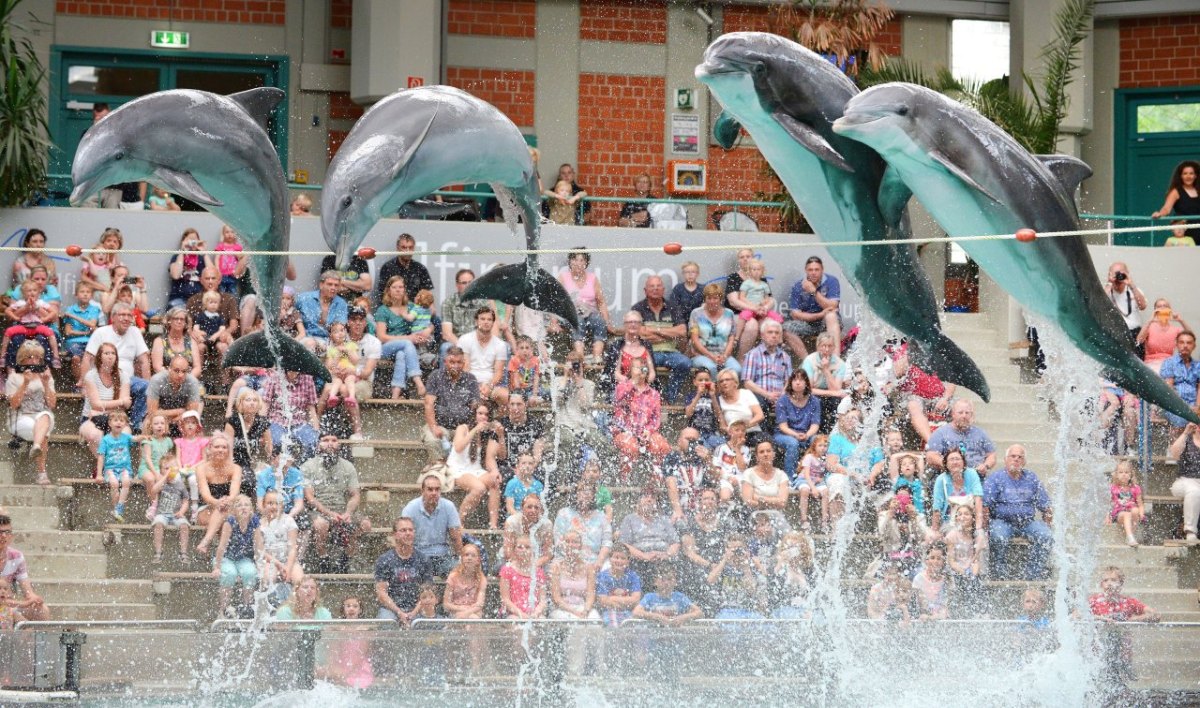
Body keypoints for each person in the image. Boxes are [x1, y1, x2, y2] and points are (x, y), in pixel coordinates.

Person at [301, 431, 371, 570]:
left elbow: (355, 495)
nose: (330, 444)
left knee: (366, 524)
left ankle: (345, 559)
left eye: (334, 440)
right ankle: (324, 559)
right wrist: (330, 514)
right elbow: (309, 498)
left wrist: (348, 513)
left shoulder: (348, 466)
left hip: (342, 509)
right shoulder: (308, 466)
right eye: (326, 440)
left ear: (339, 444)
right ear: (318, 445)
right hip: (317, 511)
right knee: (321, 525)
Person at [983, 445, 1053, 580]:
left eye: (1020, 457)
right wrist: (984, 529)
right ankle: (998, 573)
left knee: (1046, 536)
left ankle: (1034, 574)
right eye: (1013, 456)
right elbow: (985, 506)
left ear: (1024, 462)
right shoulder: (996, 478)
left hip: (1027, 522)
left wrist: (1047, 525)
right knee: (998, 536)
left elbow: (1046, 506)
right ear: (1005, 460)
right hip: (1002, 521)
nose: (1016, 460)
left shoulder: (1031, 478)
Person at [81, 303, 151, 432]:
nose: (126, 318)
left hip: (127, 380)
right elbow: (87, 358)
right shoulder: (101, 332)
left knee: (145, 386)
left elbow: (144, 361)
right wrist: (83, 383)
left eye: (129, 315)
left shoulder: (135, 331)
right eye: (122, 315)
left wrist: (149, 384)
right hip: (102, 377)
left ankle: (134, 424)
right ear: (112, 317)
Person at [1088, 565, 1160, 686]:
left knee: (1120, 686)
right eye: (1106, 580)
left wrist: (1132, 619)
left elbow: (1155, 615)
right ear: (1101, 585)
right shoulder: (1094, 601)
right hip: (1098, 653)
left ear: (1121, 584)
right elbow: (1075, 616)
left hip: (1123, 654)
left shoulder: (1128, 602)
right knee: (1099, 684)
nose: (1109, 584)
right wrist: (1099, 618)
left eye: (1113, 580)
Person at [631, 275, 691, 405]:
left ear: (663, 290)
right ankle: (650, 399)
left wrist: (654, 330)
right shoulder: (638, 308)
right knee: (643, 366)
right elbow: (640, 334)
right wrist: (669, 334)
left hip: (671, 352)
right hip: (649, 353)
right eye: (651, 286)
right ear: (645, 290)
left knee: (685, 363)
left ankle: (669, 398)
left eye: (658, 286)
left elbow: (681, 331)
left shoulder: (673, 307)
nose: (655, 289)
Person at [446, 401, 503, 529]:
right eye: (480, 413)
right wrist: (475, 430)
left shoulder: (486, 434)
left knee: (494, 481)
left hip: (474, 468)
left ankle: (493, 524)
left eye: (486, 415)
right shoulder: (463, 428)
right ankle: (458, 522)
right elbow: (459, 447)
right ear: (474, 415)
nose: (483, 417)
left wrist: (500, 435)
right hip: (457, 468)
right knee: (479, 488)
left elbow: (498, 456)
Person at [550, 351, 610, 470]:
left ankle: (603, 474)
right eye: (571, 364)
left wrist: (579, 383)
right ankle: (566, 479)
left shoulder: (589, 384)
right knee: (569, 442)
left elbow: (585, 406)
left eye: (576, 365)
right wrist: (566, 377)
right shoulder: (557, 381)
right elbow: (557, 403)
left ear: (582, 366)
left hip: (584, 426)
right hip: (564, 425)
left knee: (603, 443)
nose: (574, 367)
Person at [887, 340, 955, 445]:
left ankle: (963, 444)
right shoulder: (904, 349)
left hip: (939, 398)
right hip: (914, 396)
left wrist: (945, 398)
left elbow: (952, 380)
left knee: (962, 406)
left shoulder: (940, 350)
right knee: (914, 405)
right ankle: (932, 443)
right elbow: (897, 372)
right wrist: (911, 353)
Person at [610, 362, 671, 480]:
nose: (641, 369)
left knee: (661, 447)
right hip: (624, 431)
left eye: (643, 367)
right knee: (631, 447)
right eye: (637, 367)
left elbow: (655, 418)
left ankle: (653, 485)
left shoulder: (654, 394)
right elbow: (620, 399)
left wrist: (649, 430)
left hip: (646, 432)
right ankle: (624, 481)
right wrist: (634, 382)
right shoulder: (622, 387)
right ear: (630, 370)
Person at [6, 341, 55, 486]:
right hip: (20, 418)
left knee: (45, 416)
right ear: (22, 359)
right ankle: (41, 473)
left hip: (41, 416)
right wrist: (25, 384)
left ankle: (36, 446)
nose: (34, 361)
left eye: (37, 357)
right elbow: (14, 404)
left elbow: (52, 404)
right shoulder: (14, 377)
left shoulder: (46, 377)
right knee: (42, 432)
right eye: (30, 357)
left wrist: (46, 383)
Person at [421, 346, 480, 462]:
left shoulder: (470, 379)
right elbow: (428, 404)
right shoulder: (435, 376)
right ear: (445, 362)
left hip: (463, 427)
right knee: (432, 440)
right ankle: (439, 468)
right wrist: (433, 426)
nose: (455, 365)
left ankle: (456, 470)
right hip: (441, 426)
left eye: (459, 362)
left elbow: (476, 406)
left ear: (463, 363)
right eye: (452, 362)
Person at [401, 470, 464, 578]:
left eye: (437, 489)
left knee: (460, 572)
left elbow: (456, 538)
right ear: (422, 491)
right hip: (418, 555)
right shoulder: (411, 508)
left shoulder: (449, 507)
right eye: (430, 489)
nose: (434, 493)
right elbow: (403, 537)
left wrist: (461, 560)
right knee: (408, 575)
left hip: (442, 556)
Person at [555, 248, 613, 364]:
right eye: (575, 259)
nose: (578, 263)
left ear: (586, 263)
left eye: (582, 260)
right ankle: (579, 356)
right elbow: (553, 302)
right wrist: (554, 323)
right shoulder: (562, 277)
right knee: (578, 320)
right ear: (570, 262)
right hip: (569, 314)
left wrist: (607, 322)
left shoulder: (593, 278)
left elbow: (601, 302)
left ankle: (597, 357)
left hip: (589, 312)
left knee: (599, 321)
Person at [374, 276, 427, 400]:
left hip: (404, 349)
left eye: (401, 287)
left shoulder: (411, 307)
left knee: (401, 355)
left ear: (404, 290)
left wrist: (423, 334)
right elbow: (381, 337)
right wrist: (409, 338)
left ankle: (395, 394)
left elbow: (427, 324)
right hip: (386, 348)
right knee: (406, 344)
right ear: (388, 290)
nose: (398, 290)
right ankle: (418, 381)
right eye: (394, 287)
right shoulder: (383, 310)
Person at [193, 432, 246, 554]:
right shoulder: (201, 468)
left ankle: (206, 542)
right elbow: (205, 494)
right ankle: (223, 554)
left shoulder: (236, 468)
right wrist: (217, 502)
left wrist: (227, 501)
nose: (220, 450)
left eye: (224, 447)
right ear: (209, 449)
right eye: (217, 447)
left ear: (228, 450)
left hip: (229, 507)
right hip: (206, 508)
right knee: (223, 515)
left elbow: (234, 493)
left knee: (224, 511)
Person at [374, 517, 433, 624]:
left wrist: (413, 613)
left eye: (410, 530)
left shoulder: (423, 559)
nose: (408, 533)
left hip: (417, 608)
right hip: (391, 609)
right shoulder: (384, 560)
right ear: (394, 534)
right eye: (403, 530)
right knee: (386, 622)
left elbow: (427, 593)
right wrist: (399, 612)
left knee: (423, 623)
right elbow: (381, 593)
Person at [209, 494, 260, 618]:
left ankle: (247, 608)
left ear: (251, 509)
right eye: (239, 505)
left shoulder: (254, 521)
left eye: (246, 505)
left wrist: (260, 565)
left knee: (250, 573)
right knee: (230, 574)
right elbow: (221, 546)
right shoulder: (230, 521)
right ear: (234, 510)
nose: (243, 508)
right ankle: (223, 610)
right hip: (226, 558)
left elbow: (258, 547)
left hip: (243, 558)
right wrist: (217, 567)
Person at [784, 255, 840, 357]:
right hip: (809, 323)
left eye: (816, 269)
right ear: (806, 270)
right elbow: (795, 314)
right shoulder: (798, 285)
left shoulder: (832, 281)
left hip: (826, 322)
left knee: (831, 315)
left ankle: (835, 360)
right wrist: (819, 314)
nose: (813, 272)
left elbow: (833, 306)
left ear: (822, 270)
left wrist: (813, 291)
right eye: (810, 270)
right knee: (786, 328)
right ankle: (808, 363)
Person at [260, 370, 321, 463]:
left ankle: (299, 468)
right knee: (277, 442)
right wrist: (260, 429)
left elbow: (311, 408)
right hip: (277, 420)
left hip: (299, 421)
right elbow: (265, 406)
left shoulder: (308, 379)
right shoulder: (275, 377)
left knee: (312, 442)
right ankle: (278, 469)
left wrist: (316, 431)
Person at [741, 320, 793, 426]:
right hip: (760, 394)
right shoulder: (753, 354)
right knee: (759, 402)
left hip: (780, 395)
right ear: (762, 335)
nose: (774, 335)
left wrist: (782, 396)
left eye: (777, 333)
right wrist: (768, 395)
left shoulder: (785, 357)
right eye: (770, 332)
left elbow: (789, 381)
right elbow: (747, 382)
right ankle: (765, 437)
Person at [924, 400, 996, 475]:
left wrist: (985, 466)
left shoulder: (980, 433)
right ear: (953, 414)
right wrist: (948, 464)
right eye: (960, 412)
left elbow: (992, 455)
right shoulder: (941, 433)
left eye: (967, 413)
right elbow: (931, 456)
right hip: (950, 476)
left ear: (971, 415)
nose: (964, 416)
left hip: (976, 476)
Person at [618, 493, 680, 579]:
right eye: (645, 496)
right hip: (638, 561)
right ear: (638, 501)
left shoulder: (664, 519)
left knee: (671, 569)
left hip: (663, 560)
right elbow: (624, 544)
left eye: (653, 497)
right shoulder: (630, 519)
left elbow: (675, 543)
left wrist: (666, 555)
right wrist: (644, 556)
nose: (649, 500)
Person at [0, 513, 49, 621]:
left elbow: (28, 592)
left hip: (7, 607)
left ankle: (40, 637)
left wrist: (34, 599)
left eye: (7, 532)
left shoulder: (16, 557)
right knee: (15, 616)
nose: (3, 536)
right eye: (0, 532)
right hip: (6, 607)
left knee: (41, 610)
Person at [553, 483, 612, 570]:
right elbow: (558, 541)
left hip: (594, 561)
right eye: (582, 490)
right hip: (567, 559)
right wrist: (574, 560)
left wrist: (599, 563)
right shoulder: (564, 514)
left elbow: (607, 542)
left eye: (589, 491)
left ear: (593, 495)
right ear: (575, 494)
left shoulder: (601, 516)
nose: (586, 493)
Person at [458, 307, 509, 406]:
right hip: (469, 383)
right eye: (482, 319)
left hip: (490, 385)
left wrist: (489, 386)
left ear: (493, 323)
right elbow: (465, 368)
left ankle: (499, 421)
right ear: (476, 321)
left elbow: (498, 371)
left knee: (505, 395)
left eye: (489, 319)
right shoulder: (465, 340)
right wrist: (476, 386)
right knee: (472, 399)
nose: (486, 322)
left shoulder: (500, 344)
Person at [706, 533, 764, 620]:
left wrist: (745, 566)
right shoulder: (722, 567)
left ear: (746, 550)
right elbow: (710, 580)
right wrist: (725, 559)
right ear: (726, 550)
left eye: (739, 549)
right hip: (726, 610)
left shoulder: (751, 567)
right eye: (733, 549)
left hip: (748, 611)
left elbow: (752, 590)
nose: (737, 552)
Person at [929, 448, 985, 537]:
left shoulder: (972, 474)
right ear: (946, 464)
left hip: (970, 522)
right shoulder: (941, 480)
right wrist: (934, 531)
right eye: (951, 459)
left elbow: (978, 501)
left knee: (981, 538)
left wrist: (978, 528)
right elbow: (937, 509)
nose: (955, 462)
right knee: (954, 535)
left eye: (957, 459)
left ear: (963, 463)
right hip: (950, 523)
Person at [689, 282, 740, 378]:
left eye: (715, 298)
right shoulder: (696, 313)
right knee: (712, 368)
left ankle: (728, 392)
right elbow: (695, 340)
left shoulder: (729, 314)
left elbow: (731, 338)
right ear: (705, 299)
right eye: (709, 298)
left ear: (720, 299)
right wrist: (710, 356)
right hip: (701, 355)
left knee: (737, 369)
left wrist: (725, 356)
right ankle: (714, 392)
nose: (712, 301)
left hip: (723, 355)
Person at [663, 428, 712, 523]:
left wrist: (708, 460)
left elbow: (715, 479)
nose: (691, 443)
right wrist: (678, 510)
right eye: (688, 439)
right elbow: (670, 483)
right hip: (679, 509)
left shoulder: (703, 458)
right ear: (679, 442)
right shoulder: (672, 458)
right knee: (681, 524)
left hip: (702, 510)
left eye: (694, 440)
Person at [150, 453, 191, 565]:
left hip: (176, 514)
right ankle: (158, 552)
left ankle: (183, 553)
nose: (169, 471)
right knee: (158, 524)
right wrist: (165, 477)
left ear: (177, 470)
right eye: (166, 468)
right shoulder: (161, 483)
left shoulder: (180, 484)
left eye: (172, 468)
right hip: (162, 514)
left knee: (184, 526)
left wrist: (182, 511)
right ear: (161, 470)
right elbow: (153, 491)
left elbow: (186, 500)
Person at [145, 356, 203, 434]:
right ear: (169, 369)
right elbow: (152, 412)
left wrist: (174, 418)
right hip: (160, 420)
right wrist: (179, 411)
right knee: (148, 422)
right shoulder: (157, 380)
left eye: (184, 371)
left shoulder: (192, 382)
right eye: (176, 371)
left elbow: (191, 413)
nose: (180, 375)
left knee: (192, 424)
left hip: (181, 419)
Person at [496, 393, 546, 481]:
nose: (515, 408)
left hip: (529, 465)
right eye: (512, 404)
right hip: (508, 467)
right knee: (504, 475)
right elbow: (501, 457)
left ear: (525, 405)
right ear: (508, 405)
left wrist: (527, 469)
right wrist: (500, 436)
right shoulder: (501, 424)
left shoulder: (536, 424)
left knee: (543, 474)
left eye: (519, 404)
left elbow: (537, 456)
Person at [95, 410, 134, 521]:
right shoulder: (106, 439)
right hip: (110, 469)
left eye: (121, 421)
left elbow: (135, 439)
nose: (118, 423)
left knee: (126, 482)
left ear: (125, 424)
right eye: (115, 420)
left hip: (124, 468)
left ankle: (119, 507)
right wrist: (99, 474)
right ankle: (115, 507)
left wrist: (144, 437)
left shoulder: (126, 437)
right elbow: (101, 456)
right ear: (110, 423)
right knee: (114, 484)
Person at [1160, 330, 1200, 438]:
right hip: (1174, 405)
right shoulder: (1169, 363)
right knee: (1180, 419)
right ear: (1177, 344)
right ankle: (1174, 453)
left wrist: (1197, 406)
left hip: (1194, 406)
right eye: (1182, 342)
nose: (1185, 346)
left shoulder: (1198, 365)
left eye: (1189, 343)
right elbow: (1169, 390)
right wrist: (1185, 408)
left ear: (1194, 346)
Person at [498, 534, 548, 619]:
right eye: (520, 547)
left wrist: (536, 613)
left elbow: (543, 600)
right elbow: (505, 599)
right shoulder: (507, 570)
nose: (523, 550)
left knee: (541, 621)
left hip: (533, 614)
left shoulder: (539, 572)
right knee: (516, 622)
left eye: (527, 547)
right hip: (512, 613)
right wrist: (522, 615)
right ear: (514, 551)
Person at [634, 565, 703, 625]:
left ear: (675, 582)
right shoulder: (649, 597)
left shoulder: (680, 597)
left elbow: (699, 613)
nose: (666, 583)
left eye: (669, 579)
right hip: (654, 635)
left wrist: (683, 617)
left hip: (675, 635)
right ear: (655, 582)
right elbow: (636, 612)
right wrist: (657, 617)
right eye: (663, 579)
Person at [297, 271, 349, 351]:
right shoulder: (304, 298)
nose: (333, 288)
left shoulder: (341, 304)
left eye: (336, 285)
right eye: (329, 284)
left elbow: (339, 328)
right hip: (306, 337)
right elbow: (290, 312)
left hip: (328, 341)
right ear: (321, 285)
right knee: (310, 343)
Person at [376, 233, 435, 303]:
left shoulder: (420, 269)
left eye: (410, 247)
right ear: (398, 248)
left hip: (416, 310)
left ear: (414, 248)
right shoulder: (388, 267)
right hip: (393, 309)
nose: (407, 251)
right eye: (404, 247)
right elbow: (382, 294)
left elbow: (427, 295)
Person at [502, 493, 554, 571]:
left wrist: (534, 564)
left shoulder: (546, 524)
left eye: (536, 508)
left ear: (541, 510)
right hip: (514, 559)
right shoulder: (512, 522)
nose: (533, 510)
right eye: (529, 507)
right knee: (501, 567)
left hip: (537, 560)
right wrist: (521, 564)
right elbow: (508, 552)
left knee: (550, 570)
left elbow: (548, 554)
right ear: (522, 508)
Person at [185, 268, 240, 341]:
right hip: (201, 338)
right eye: (207, 279)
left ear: (219, 280)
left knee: (223, 347)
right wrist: (192, 333)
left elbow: (234, 325)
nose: (210, 282)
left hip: (222, 338)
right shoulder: (193, 300)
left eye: (213, 278)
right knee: (199, 347)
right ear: (201, 280)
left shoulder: (229, 299)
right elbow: (188, 324)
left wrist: (225, 333)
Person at [224, 388, 272, 474]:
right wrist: (231, 469)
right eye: (248, 400)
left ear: (259, 404)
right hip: (233, 462)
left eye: (255, 400)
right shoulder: (233, 421)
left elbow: (269, 447)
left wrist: (273, 464)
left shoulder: (262, 422)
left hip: (249, 463)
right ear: (241, 403)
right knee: (247, 480)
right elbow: (228, 448)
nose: (252, 403)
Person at [62, 282, 102, 383]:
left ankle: (93, 383)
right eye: (82, 292)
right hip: (73, 341)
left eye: (88, 292)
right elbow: (68, 332)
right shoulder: (70, 309)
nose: (85, 294)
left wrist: (73, 316)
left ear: (91, 295)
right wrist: (85, 333)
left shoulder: (94, 309)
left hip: (90, 341)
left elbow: (92, 325)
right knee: (76, 358)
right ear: (76, 295)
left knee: (94, 358)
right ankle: (80, 383)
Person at [1168, 421, 1200, 543]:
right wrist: (1185, 433)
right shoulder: (1187, 439)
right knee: (1195, 490)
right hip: (1184, 481)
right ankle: (1190, 531)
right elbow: (1174, 454)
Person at [167, 229, 215, 310]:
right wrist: (183, 251)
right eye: (190, 239)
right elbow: (175, 275)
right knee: (179, 314)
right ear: (183, 241)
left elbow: (213, 275)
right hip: (178, 298)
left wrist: (204, 252)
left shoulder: (201, 258)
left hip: (199, 299)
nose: (192, 242)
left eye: (195, 240)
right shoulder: (177, 257)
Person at [1137, 298, 1188, 374]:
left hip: (1169, 365)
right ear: (1155, 310)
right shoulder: (1149, 327)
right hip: (1151, 365)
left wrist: (1181, 320)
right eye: (1159, 306)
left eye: (1165, 306)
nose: (1162, 308)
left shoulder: (1175, 330)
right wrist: (1150, 320)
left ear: (1170, 310)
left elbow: (1191, 338)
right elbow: (1139, 340)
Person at [439, 269, 483, 356]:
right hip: (457, 343)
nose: (468, 285)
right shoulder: (449, 302)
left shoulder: (483, 302)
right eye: (464, 283)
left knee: (504, 347)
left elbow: (491, 328)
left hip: (479, 343)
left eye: (470, 282)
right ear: (457, 285)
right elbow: (447, 334)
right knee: (445, 347)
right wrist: (463, 347)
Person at [1104, 261, 1147, 350]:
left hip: (1134, 334)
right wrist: (1109, 283)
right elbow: (1098, 304)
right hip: (1114, 334)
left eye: (1121, 273)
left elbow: (1143, 306)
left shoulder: (1134, 290)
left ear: (1127, 273)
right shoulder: (1106, 290)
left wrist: (1131, 285)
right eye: (1115, 274)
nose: (1118, 276)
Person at [596, 546, 643, 627]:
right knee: (613, 626)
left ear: (628, 561)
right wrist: (626, 602)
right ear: (610, 559)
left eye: (623, 558)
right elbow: (603, 601)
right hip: (609, 611)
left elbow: (636, 600)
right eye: (616, 557)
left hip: (629, 611)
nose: (619, 561)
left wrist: (612, 599)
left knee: (637, 628)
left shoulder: (632, 576)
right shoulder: (603, 576)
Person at [1151, 160, 1200, 236]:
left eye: (1191, 173)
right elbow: (1166, 209)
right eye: (1185, 173)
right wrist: (1160, 214)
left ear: (1195, 175)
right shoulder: (1175, 192)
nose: (1188, 176)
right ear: (1181, 176)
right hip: (1183, 233)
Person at [715, 369, 765, 443]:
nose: (724, 383)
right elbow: (722, 427)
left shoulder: (746, 393)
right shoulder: (718, 400)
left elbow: (760, 415)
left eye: (727, 380)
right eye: (721, 381)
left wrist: (743, 427)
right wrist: (732, 431)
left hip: (753, 432)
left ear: (735, 382)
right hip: (733, 436)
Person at [152, 308, 203, 380]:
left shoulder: (191, 342)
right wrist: (174, 379)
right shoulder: (159, 341)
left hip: (188, 381)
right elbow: (157, 367)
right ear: (169, 321)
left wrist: (186, 379)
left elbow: (197, 368)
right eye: (176, 319)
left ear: (185, 323)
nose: (179, 321)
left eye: (182, 319)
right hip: (165, 380)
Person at [443, 543, 487, 619]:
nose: (469, 558)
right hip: (456, 611)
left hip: (474, 611)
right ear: (462, 558)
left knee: (473, 618)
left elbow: (480, 604)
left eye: (473, 555)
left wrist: (467, 612)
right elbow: (446, 604)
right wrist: (461, 609)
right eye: (466, 555)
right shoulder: (453, 576)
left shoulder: (481, 579)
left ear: (478, 560)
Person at [796, 434, 831, 532]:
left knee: (825, 491)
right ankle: (804, 520)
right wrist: (813, 488)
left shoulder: (825, 458)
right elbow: (806, 475)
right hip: (805, 479)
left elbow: (824, 471)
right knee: (805, 490)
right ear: (814, 446)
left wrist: (821, 478)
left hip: (816, 481)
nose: (823, 448)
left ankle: (824, 519)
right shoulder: (809, 457)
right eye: (820, 445)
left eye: (825, 446)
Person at [911, 543, 950, 621]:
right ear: (926, 561)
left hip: (941, 618)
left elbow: (946, 606)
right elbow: (918, 605)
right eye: (932, 558)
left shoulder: (947, 580)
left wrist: (935, 617)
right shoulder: (919, 579)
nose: (935, 561)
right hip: (922, 618)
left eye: (939, 559)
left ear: (943, 562)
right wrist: (926, 616)